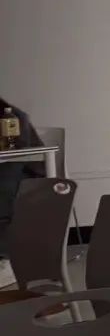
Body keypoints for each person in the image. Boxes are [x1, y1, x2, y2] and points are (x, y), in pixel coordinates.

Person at [0, 96, 44, 257]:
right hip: (11, 171)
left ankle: (5, 256)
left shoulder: (14, 117)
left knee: (4, 186)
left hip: (27, 174)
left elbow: (18, 157)